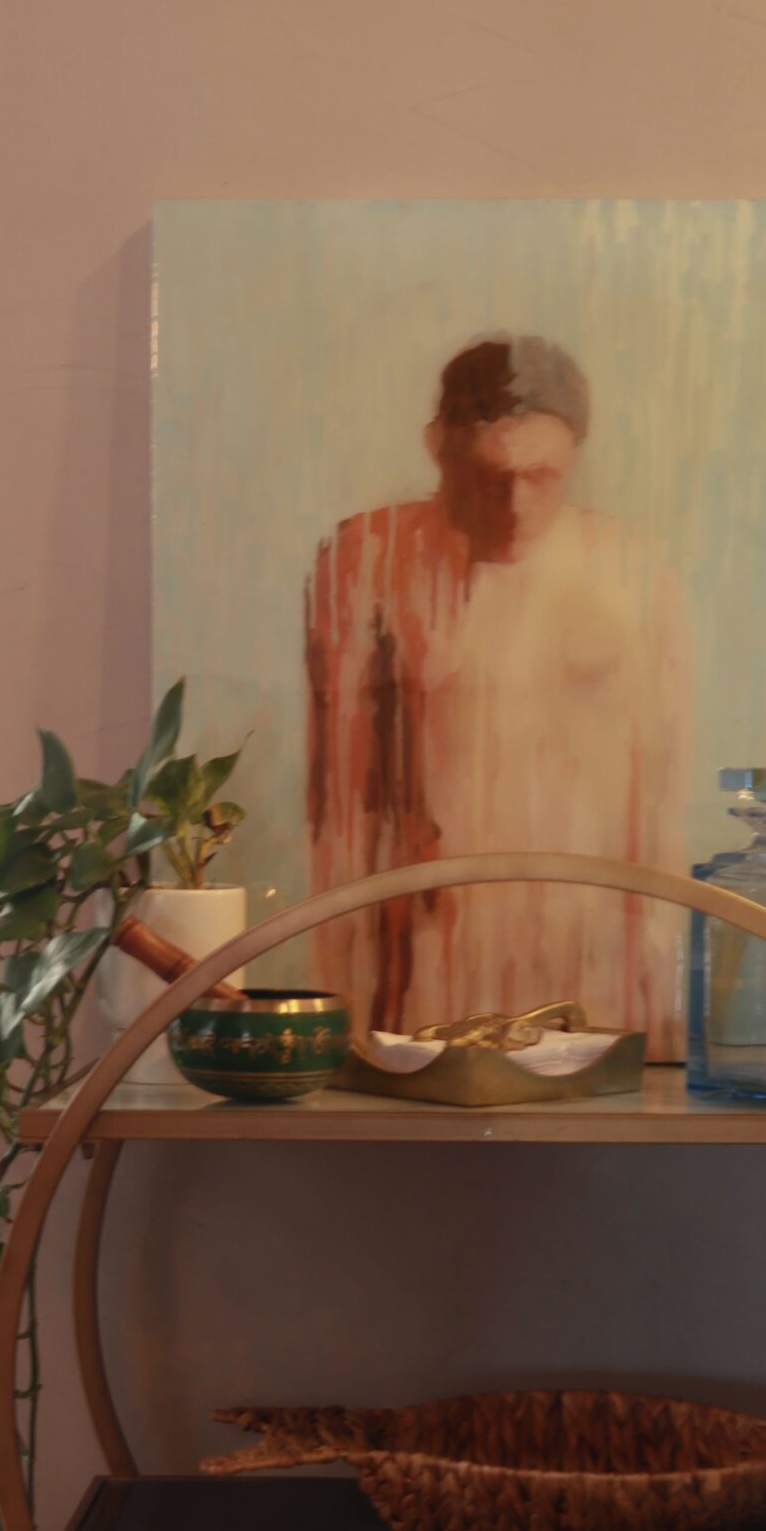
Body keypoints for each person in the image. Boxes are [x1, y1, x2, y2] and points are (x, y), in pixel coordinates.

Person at [304, 333, 689, 1051]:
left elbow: (659, 796)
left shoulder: (632, 569)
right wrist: (342, 1008)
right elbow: (340, 808)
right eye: (490, 478)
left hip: (587, 946)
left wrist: (658, 990)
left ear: (574, 456)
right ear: (438, 447)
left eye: (541, 477)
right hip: (429, 950)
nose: (516, 505)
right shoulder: (367, 562)